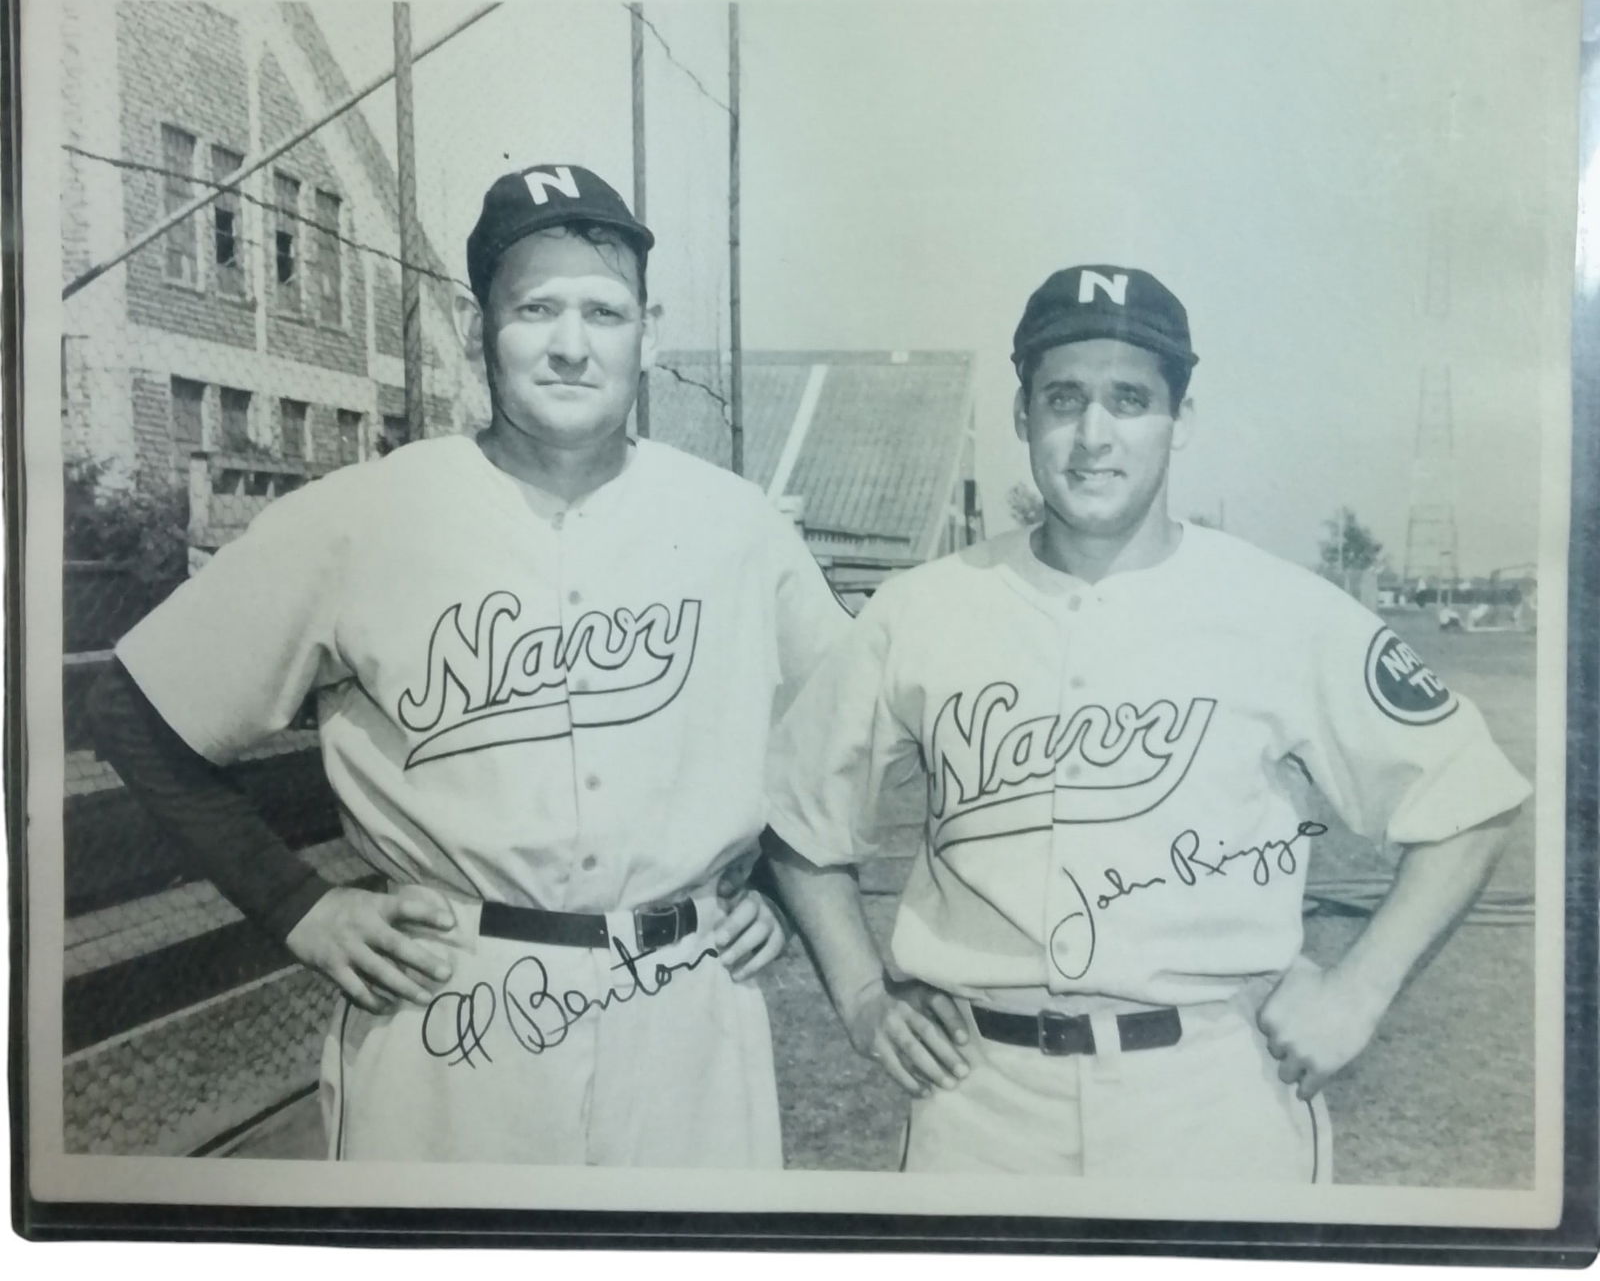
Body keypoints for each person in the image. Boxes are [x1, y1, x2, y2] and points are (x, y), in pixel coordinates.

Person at [91, 163, 850, 1166]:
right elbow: (131, 710)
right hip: (450, 1006)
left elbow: (838, 727)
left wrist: (777, 895)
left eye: (604, 311)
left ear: (650, 332)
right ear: (472, 323)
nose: (572, 344)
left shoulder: (735, 525)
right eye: (535, 308)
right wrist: (298, 905)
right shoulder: (365, 514)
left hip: (687, 1002)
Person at [763, 264, 1529, 1179]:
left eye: (1130, 399)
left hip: (1213, 1087)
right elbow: (797, 815)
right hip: (980, 1097)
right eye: (1064, 398)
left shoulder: (1279, 608)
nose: (1094, 435)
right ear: (1023, 415)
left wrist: (1360, 990)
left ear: (1181, 417)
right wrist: (860, 993)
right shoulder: (921, 608)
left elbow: (1469, 799)